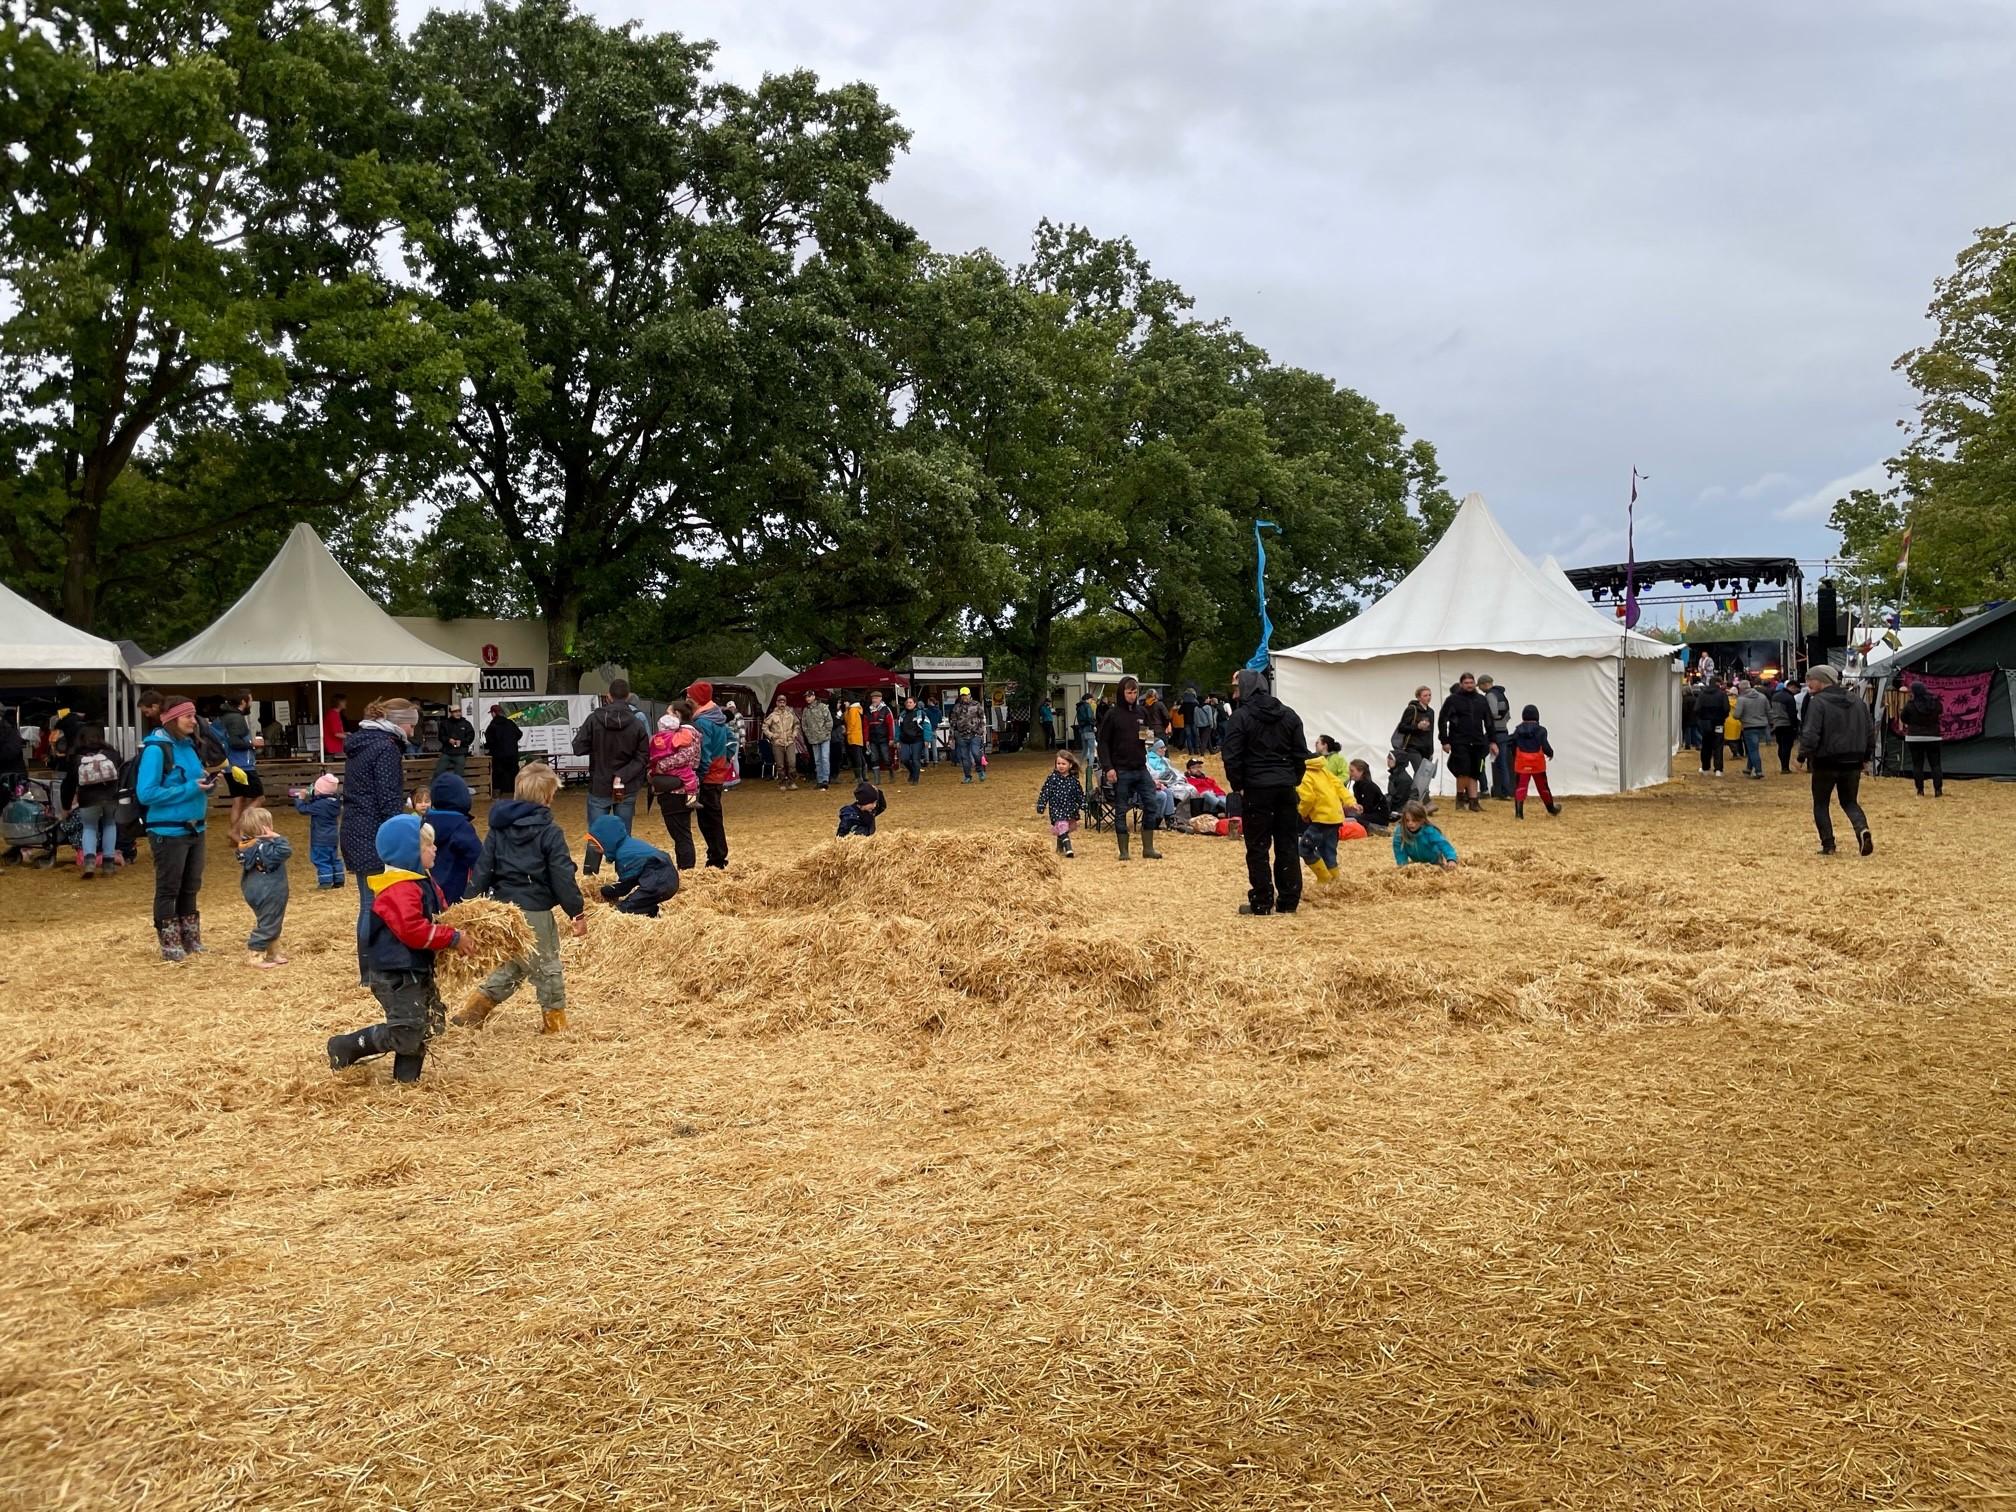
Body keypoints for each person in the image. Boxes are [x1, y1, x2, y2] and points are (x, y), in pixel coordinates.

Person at [326, 814, 473, 1085]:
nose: (435, 848)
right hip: (396, 973)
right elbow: (412, 930)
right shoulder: (399, 890)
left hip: (413, 968)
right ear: (410, 853)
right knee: (407, 1030)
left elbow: (436, 914)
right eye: (428, 845)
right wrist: (451, 937)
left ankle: (407, 1083)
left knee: (424, 1022)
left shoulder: (419, 882)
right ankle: (346, 1046)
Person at [457, 762, 587, 1034]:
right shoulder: (550, 832)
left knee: (514, 963)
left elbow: (483, 869)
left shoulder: (498, 829)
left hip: (505, 910)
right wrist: (576, 912)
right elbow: (562, 875)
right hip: (535, 910)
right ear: (548, 797)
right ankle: (555, 1024)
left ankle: (474, 1011)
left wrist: (468, 906)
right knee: (547, 965)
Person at [341, 698, 418, 984]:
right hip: (374, 833)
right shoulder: (386, 748)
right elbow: (388, 800)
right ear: (399, 722)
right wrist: (404, 833)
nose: (413, 729)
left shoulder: (362, 744)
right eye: (411, 722)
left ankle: (369, 971)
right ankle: (374, 972)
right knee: (376, 904)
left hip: (355, 828)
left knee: (368, 903)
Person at [1222, 668, 1310, 916]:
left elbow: (1232, 755)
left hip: (1257, 788)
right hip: (1284, 787)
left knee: (1258, 846)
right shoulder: (1290, 716)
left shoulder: (1241, 718)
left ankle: (1262, 901)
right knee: (1287, 844)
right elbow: (1300, 755)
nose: (1236, 694)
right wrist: (1292, 779)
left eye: (1238, 688)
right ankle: (1289, 900)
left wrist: (1238, 785)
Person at [135, 698, 218, 961]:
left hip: (195, 827)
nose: (194, 721)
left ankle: (190, 938)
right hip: (168, 831)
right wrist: (191, 788)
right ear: (172, 718)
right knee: (169, 887)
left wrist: (207, 783)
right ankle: (169, 942)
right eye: (188, 717)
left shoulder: (189, 746)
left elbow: (192, 780)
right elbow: (146, 793)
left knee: (191, 885)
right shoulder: (156, 750)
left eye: (194, 716)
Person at [1798, 666, 1876, 856]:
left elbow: (1811, 732)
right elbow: (1869, 730)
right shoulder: (1857, 701)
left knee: (1821, 803)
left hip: (1826, 760)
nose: (1808, 683)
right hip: (1853, 760)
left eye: (1811, 679)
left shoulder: (1818, 702)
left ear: (1822, 680)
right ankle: (1861, 829)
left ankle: (1828, 845)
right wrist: (1866, 756)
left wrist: (1802, 756)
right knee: (1850, 801)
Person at [1096, 675, 1163, 862]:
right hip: (1121, 769)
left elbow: (1147, 738)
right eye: (1128, 692)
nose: (1132, 696)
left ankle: (1148, 847)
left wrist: (1150, 739)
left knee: (1151, 803)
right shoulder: (1112, 714)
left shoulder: (1142, 713)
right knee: (1121, 809)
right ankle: (1123, 850)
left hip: (1141, 768)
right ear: (1121, 693)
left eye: (1135, 692)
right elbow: (1103, 744)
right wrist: (1108, 767)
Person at [573, 679, 648, 833]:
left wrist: (596, 745)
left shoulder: (593, 720)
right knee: (623, 836)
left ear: (608, 696)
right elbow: (643, 757)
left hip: (600, 783)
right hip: (626, 784)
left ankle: (595, 857)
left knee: (596, 837)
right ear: (628, 697)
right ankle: (620, 857)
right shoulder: (637, 723)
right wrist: (623, 774)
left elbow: (578, 747)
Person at [60, 724, 123, 878]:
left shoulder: (76, 758)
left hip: (88, 800)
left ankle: (89, 862)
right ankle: (108, 862)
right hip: (110, 797)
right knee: (109, 824)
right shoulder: (112, 753)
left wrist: (66, 806)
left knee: (89, 827)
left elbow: (68, 784)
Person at [585, 815, 680, 916]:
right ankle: (651, 913)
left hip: (659, 880)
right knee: (642, 902)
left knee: (623, 909)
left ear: (608, 841)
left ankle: (649, 913)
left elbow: (625, 886)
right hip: (666, 877)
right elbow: (634, 878)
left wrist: (609, 891)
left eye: (596, 845)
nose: (595, 849)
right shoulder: (630, 845)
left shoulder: (623, 855)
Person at [234, 806, 292, 969]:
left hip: (253, 889)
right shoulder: (265, 848)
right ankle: (255, 953)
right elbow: (285, 851)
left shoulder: (246, 846)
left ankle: (273, 952)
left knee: (269, 920)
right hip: (270, 890)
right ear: (266, 828)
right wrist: (278, 838)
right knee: (269, 922)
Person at [685, 681, 734, 869]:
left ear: (696, 699)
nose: (687, 699)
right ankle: (716, 855)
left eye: (689, 696)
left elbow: (703, 753)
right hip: (717, 774)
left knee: (709, 820)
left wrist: (699, 775)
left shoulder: (702, 721)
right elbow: (732, 740)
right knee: (712, 817)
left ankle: (717, 858)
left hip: (708, 777)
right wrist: (726, 759)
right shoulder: (717, 718)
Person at [648, 703, 703, 870]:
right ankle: (685, 867)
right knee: (681, 833)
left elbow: (685, 757)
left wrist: (660, 766)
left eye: (669, 712)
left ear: (677, 714)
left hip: (675, 791)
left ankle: (686, 868)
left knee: (680, 834)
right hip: (679, 788)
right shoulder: (683, 733)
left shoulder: (686, 733)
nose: (665, 716)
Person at [1438, 673, 1496, 812]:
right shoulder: (1453, 700)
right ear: (1461, 684)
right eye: (1466, 683)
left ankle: (1474, 802)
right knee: (1463, 771)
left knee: (1475, 772)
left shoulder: (1481, 700)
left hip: (1477, 741)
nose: (1469, 685)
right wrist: (1444, 740)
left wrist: (1493, 741)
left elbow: (1489, 721)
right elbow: (1442, 720)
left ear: (1474, 684)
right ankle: (1460, 799)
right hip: (1459, 740)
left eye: (1471, 682)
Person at [426, 772, 483, 904]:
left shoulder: (425, 823)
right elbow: (479, 858)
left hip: (430, 892)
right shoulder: (461, 826)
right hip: (455, 892)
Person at [217, 688, 266, 829]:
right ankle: (237, 830)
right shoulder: (236, 718)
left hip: (229, 766)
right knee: (259, 798)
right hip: (243, 766)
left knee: (238, 800)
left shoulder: (224, 717)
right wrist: (252, 743)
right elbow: (235, 742)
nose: (251, 703)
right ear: (243, 701)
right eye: (250, 700)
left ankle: (234, 837)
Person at [1295, 750, 1346, 886]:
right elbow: (1339, 785)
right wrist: (1350, 801)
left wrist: (1303, 812)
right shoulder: (1324, 771)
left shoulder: (1305, 775)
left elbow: (1308, 798)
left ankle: (1324, 878)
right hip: (1335, 818)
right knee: (1328, 850)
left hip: (1321, 819)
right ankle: (1336, 882)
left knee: (1305, 848)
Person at [1508, 704, 1563, 819]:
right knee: (1543, 787)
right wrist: (1550, 753)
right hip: (1537, 762)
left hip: (1522, 761)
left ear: (1523, 716)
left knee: (1520, 787)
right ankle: (1551, 808)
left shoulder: (1518, 730)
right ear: (1537, 716)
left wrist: (1515, 756)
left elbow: (1512, 745)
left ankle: (1519, 814)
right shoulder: (1541, 730)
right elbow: (1545, 746)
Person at [295, 773, 344, 888]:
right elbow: (319, 802)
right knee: (334, 858)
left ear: (321, 791)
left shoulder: (319, 805)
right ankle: (339, 878)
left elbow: (303, 809)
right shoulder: (334, 802)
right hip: (332, 837)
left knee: (321, 859)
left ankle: (325, 881)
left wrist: (300, 799)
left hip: (320, 838)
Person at [1034, 751, 1085, 856]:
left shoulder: (1073, 780)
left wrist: (1083, 803)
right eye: (1058, 764)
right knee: (1061, 825)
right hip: (1056, 808)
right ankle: (1068, 848)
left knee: (1065, 827)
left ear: (1070, 765)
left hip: (1069, 808)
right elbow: (1045, 791)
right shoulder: (1053, 778)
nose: (1060, 766)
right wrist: (1041, 804)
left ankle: (1059, 847)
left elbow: (1079, 794)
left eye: (1063, 764)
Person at [1901, 679, 1945, 798]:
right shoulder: (1935, 703)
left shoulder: (1910, 705)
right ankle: (1938, 790)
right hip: (1933, 737)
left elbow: (1903, 718)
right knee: (1935, 764)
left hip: (1915, 738)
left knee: (1917, 765)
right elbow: (1941, 711)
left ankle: (1920, 791)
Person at [1393, 686, 1437, 796]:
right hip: (1413, 747)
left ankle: (1414, 796)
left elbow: (1431, 732)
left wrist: (1431, 749)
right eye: (1425, 695)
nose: (1428, 697)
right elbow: (1402, 727)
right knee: (1419, 773)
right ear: (1418, 697)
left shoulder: (1431, 711)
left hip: (1425, 747)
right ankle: (1424, 798)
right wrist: (1417, 726)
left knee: (1425, 774)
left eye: (1429, 695)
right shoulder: (1412, 709)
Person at [1392, 799, 1459, 869]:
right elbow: (1399, 850)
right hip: (1417, 865)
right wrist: (1403, 866)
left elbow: (1443, 844)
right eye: (1407, 820)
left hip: (1434, 864)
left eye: (1414, 820)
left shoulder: (1429, 831)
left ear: (1422, 820)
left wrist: (1451, 859)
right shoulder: (1400, 832)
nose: (1410, 823)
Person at [1477, 674, 1513, 800]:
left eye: (1480, 686)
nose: (1480, 689)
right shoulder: (1502, 695)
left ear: (1485, 684)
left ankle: (1484, 789)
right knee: (1502, 763)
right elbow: (1507, 715)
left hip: (1493, 733)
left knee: (1479, 758)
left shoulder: (1490, 695)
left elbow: (1492, 712)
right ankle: (1506, 792)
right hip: (1504, 731)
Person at [1734, 678, 1771, 780]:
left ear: (1741, 689)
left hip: (1749, 726)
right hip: (1762, 726)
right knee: (1753, 748)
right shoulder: (1762, 697)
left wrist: (1741, 718)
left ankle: (1758, 771)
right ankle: (1748, 768)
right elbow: (1768, 711)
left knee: (1753, 750)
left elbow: (1736, 715)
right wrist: (1770, 723)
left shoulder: (1741, 699)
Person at [763, 695, 801, 792]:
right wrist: (771, 735)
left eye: (783, 702)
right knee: (780, 765)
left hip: (789, 742)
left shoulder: (790, 714)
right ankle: (782, 782)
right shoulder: (772, 715)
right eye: (780, 702)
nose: (782, 704)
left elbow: (797, 724)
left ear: (786, 702)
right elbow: (764, 727)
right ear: (777, 703)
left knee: (792, 762)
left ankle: (792, 782)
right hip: (777, 742)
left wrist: (794, 734)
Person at [950, 687, 988, 782]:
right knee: (964, 757)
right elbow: (953, 722)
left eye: (966, 695)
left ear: (970, 695)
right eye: (963, 695)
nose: (964, 697)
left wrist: (981, 731)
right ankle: (967, 776)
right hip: (961, 735)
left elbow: (982, 718)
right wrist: (952, 735)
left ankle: (980, 770)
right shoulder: (956, 707)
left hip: (975, 734)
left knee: (976, 753)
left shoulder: (977, 705)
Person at [483, 704, 522, 795]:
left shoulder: (492, 725)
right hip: (512, 753)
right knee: (513, 772)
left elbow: (489, 740)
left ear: (493, 713)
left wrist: (489, 747)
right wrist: (511, 742)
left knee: (499, 773)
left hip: (498, 754)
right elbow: (519, 734)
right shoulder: (510, 723)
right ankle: (514, 791)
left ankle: (499, 791)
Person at [1695, 679, 1730, 776]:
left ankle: (1705, 768)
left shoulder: (1702, 695)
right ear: (1718, 684)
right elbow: (1726, 708)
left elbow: (1696, 709)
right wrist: (1722, 718)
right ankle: (1718, 769)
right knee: (1718, 746)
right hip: (1718, 723)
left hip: (1705, 724)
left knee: (1706, 745)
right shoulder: (1722, 695)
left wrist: (1701, 719)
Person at [799, 695, 835, 791]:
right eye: (806, 697)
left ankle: (825, 780)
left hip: (824, 738)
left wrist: (826, 732)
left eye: (809, 696)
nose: (807, 699)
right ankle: (819, 780)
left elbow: (829, 721)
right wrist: (808, 735)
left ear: (814, 696)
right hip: (813, 739)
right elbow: (804, 724)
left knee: (825, 758)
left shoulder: (823, 707)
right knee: (818, 760)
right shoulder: (806, 710)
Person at [1768, 679, 1800, 774]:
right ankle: (1785, 767)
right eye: (1796, 690)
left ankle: (1783, 765)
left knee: (1780, 746)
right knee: (1787, 746)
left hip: (1777, 724)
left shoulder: (1775, 696)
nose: (1796, 692)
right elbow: (1792, 714)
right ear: (1792, 687)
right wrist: (1795, 726)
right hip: (1787, 724)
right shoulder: (1789, 698)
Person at [862, 691, 897, 782]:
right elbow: (865, 726)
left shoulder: (886, 710)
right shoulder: (868, 711)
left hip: (884, 738)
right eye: (873, 698)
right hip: (872, 738)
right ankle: (877, 779)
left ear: (880, 699)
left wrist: (891, 738)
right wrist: (866, 740)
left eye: (876, 698)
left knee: (886, 757)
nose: (874, 700)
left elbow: (891, 725)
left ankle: (891, 772)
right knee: (874, 758)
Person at [434, 705, 476, 779]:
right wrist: (448, 740)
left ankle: (456, 789)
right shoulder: (445, 723)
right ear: (451, 713)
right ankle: (433, 790)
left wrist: (462, 742)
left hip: (460, 752)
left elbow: (471, 736)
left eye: (459, 711)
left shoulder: (466, 723)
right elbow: (441, 736)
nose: (458, 713)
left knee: (458, 776)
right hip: (447, 752)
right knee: (438, 773)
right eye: (455, 712)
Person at [896, 696, 929, 785]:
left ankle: (915, 779)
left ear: (915, 704)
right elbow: (898, 728)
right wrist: (897, 740)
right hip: (904, 739)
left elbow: (927, 726)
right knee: (904, 759)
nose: (908, 704)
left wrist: (926, 739)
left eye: (910, 702)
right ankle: (912, 771)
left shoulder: (921, 714)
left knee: (915, 759)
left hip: (917, 739)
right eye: (907, 702)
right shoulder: (902, 715)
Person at [0, 706, 27, 796]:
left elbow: (11, 751)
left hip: (10, 774)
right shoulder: (12, 733)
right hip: (14, 774)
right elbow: (12, 751)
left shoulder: (10, 732)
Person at [843, 697, 867, 781]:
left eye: (846, 701)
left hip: (853, 736)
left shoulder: (852, 710)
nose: (844, 703)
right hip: (857, 736)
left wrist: (847, 732)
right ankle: (863, 776)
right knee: (859, 755)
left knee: (856, 757)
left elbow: (851, 723)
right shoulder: (853, 709)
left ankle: (859, 777)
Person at [322, 693, 349, 762]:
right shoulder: (333, 715)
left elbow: (337, 731)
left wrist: (346, 733)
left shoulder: (333, 714)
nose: (346, 703)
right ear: (339, 702)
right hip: (333, 748)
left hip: (334, 748)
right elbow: (336, 734)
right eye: (344, 701)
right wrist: (351, 737)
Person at [1679, 682, 1700, 751]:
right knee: (1695, 732)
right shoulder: (1695, 698)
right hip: (1695, 717)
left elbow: (1684, 710)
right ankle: (1698, 744)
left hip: (1688, 718)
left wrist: (1683, 717)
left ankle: (1688, 745)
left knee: (1688, 732)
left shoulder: (1685, 699)